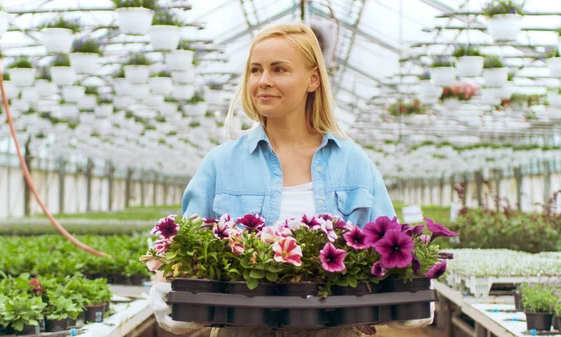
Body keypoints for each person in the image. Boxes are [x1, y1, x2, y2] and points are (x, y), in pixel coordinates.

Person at [149, 23, 432, 337]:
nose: (263, 81)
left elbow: (391, 248)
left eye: (279, 69)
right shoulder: (221, 164)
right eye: (255, 70)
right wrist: (168, 294)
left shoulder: (353, 163)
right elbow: (181, 255)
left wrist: (408, 292)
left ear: (313, 79)